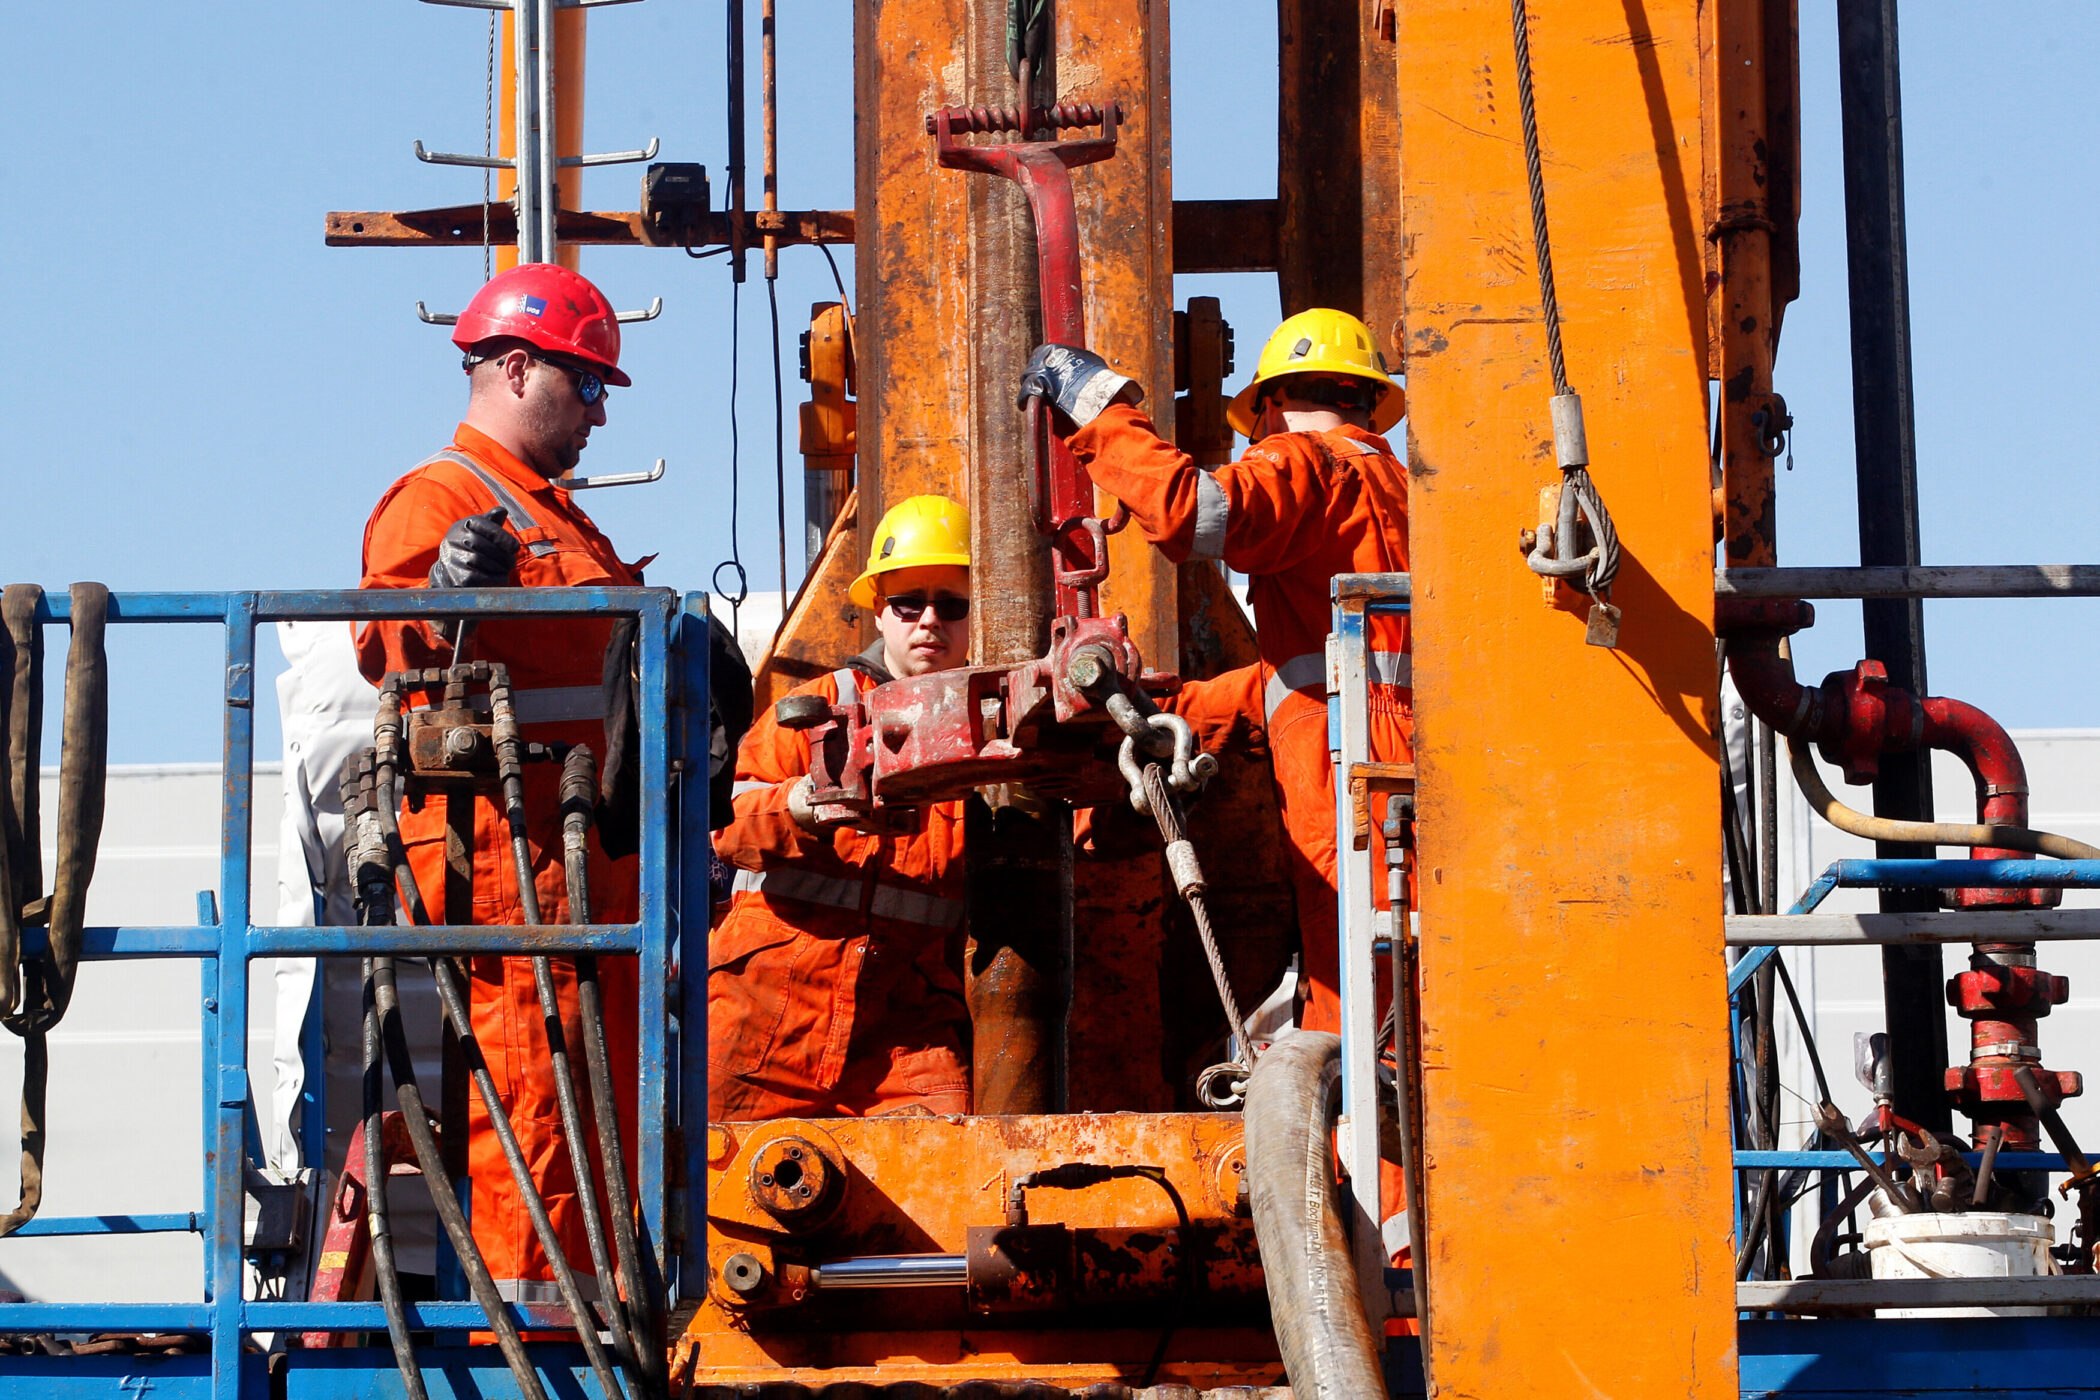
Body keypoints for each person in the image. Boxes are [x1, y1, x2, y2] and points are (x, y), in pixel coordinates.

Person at [354, 261, 648, 1307]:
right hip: (517, 863)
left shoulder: (558, 518)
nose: (600, 415)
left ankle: (602, 1325)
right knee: (539, 1113)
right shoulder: (444, 497)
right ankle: (536, 1349)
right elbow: (391, 643)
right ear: (519, 368)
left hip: (590, 865)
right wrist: (442, 600)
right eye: (590, 385)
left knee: (598, 1122)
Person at [1019, 309, 1411, 1035]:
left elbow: (1193, 515)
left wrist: (1100, 411)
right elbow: (1309, 671)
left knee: (1369, 1029)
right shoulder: (1409, 491)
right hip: (1408, 777)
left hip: (1353, 785)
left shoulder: (1302, 461)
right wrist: (1164, 708)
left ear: (1267, 405)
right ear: (1369, 399)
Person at [709, 495, 975, 1120]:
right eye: (909, 603)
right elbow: (725, 827)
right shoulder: (813, 709)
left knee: (953, 1182)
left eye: (951, 603)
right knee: (712, 1192)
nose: (928, 620)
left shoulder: (991, 737)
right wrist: (806, 803)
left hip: (905, 1033)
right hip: (768, 1010)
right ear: (880, 611)